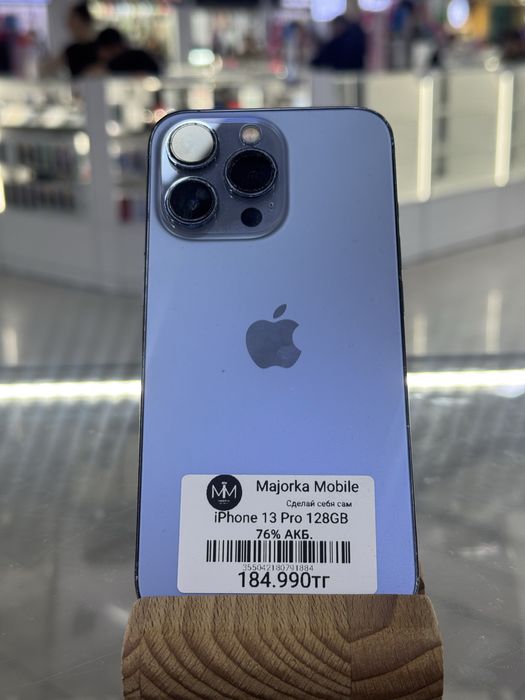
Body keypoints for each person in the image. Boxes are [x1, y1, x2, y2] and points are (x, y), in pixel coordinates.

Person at [63, 2, 98, 76]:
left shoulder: (101, 46)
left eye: (72, 19)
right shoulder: (71, 50)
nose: (68, 24)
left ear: (83, 20)